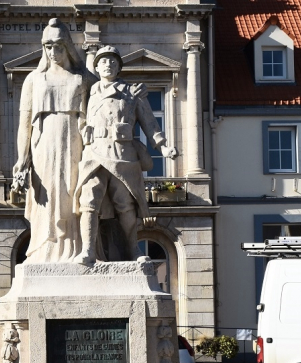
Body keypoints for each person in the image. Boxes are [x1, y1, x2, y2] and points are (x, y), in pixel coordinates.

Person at [74, 46, 177, 266]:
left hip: (122, 154)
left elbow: (150, 123)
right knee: (89, 200)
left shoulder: (132, 93)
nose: (108, 65)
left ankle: (133, 249)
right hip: (94, 154)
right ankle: (88, 250)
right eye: (103, 61)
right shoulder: (88, 92)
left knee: (125, 204)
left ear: (119, 66)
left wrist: (163, 147)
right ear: (96, 66)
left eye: (113, 61)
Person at [12, 19, 94, 263]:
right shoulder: (34, 80)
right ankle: (44, 251)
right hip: (43, 144)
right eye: (48, 46)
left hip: (74, 142)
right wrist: (21, 158)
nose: (53, 52)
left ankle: (76, 250)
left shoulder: (82, 78)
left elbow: (105, 102)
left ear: (67, 46)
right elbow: (24, 124)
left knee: (72, 193)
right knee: (46, 197)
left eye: (58, 46)